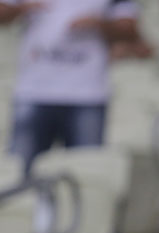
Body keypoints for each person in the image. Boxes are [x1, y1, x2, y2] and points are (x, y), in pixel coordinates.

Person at [0, 0, 139, 176]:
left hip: (87, 95)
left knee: (86, 178)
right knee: (19, 178)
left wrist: (98, 23)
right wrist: (23, 8)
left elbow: (131, 28)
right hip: (33, 91)